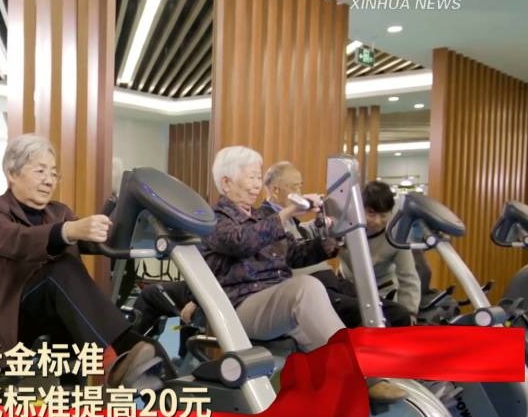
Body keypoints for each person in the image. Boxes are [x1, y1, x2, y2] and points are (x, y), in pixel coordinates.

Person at [131, 147, 404, 402]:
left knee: (318, 310)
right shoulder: (215, 220)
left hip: (272, 303)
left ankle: (344, 389)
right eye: (251, 177)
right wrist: (287, 213)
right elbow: (242, 241)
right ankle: (359, 376)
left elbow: (294, 254)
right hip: (240, 307)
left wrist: (329, 242)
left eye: (258, 177)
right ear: (226, 182)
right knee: (305, 288)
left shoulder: (261, 216)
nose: (256, 184)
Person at [0, 134, 168, 387]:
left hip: (55, 318)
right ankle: (119, 352)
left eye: (54, 174)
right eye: (40, 171)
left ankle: (141, 363)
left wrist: (117, 224)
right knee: (60, 268)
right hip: (13, 321)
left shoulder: (59, 211)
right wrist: (68, 231)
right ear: (12, 173)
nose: (48, 180)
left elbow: (91, 241)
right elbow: (18, 239)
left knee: (65, 274)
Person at [259, 162, 412, 327]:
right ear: (276, 190)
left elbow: (307, 232)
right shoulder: (267, 221)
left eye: (300, 186)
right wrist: (326, 244)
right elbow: (293, 254)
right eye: (295, 187)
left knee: (398, 313)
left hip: (330, 280)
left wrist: (324, 219)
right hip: (312, 283)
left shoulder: (291, 220)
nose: (300, 193)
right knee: (375, 318)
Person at [339, 181, 421, 316]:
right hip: (348, 286)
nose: (377, 221)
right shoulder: (345, 226)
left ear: (391, 212)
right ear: (360, 208)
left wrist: (410, 313)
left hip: (383, 290)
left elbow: (408, 277)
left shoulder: (396, 235)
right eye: (371, 214)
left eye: (383, 215)